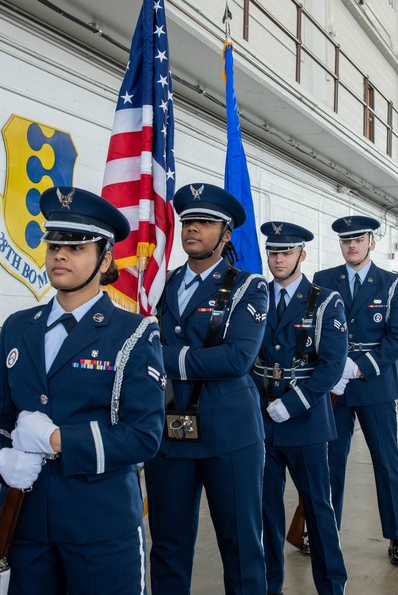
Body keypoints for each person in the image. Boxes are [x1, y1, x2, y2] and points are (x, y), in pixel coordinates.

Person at [0, 186, 166, 594]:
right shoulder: (17, 326)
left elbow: (144, 435)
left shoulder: (133, 334)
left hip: (100, 526)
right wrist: (1, 456)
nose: (60, 255)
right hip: (27, 523)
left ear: (105, 260)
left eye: (77, 247)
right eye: (54, 245)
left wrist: (57, 439)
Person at [146, 183, 270, 594]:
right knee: (167, 546)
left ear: (226, 234)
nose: (192, 230)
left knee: (240, 547)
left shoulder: (249, 287)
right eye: (186, 222)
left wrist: (163, 358)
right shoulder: (159, 285)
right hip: (168, 434)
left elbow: (236, 359)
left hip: (229, 435)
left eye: (204, 222)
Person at [254, 221, 348, 595]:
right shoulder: (256, 297)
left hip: (305, 421)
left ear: (301, 255)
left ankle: (332, 586)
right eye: (273, 252)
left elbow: (332, 365)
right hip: (262, 421)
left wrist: (292, 404)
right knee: (266, 512)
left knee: (318, 509)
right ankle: (269, 585)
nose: (278, 259)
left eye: (286, 252)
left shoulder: (326, 301)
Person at [314, 215, 398, 567]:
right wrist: (331, 366)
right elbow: (314, 329)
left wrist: (358, 367)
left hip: (374, 385)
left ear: (372, 242)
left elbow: (397, 338)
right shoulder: (323, 281)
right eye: (345, 241)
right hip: (333, 390)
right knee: (329, 464)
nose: (351, 245)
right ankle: (324, 532)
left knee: (387, 464)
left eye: (357, 239)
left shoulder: (391, 283)